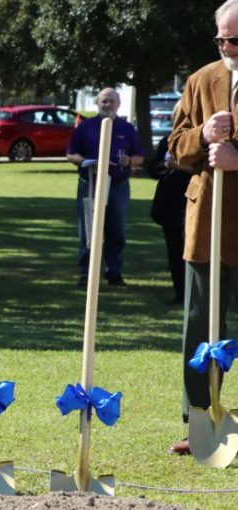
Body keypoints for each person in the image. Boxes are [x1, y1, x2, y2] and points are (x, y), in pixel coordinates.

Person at [166, 0, 238, 455]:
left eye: (236, 39)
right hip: (207, 224)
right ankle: (199, 423)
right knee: (199, 326)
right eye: (222, 39)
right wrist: (204, 136)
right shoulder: (200, 79)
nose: (229, 47)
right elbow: (175, 148)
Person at [67, 88, 144, 287]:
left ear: (118, 104)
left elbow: (140, 157)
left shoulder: (127, 129)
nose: (107, 105)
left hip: (117, 186)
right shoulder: (86, 126)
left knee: (116, 231)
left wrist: (128, 161)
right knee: (87, 230)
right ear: (97, 103)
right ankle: (86, 275)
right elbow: (71, 153)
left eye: (111, 101)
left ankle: (114, 274)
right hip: (89, 184)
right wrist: (83, 162)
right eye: (104, 101)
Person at [148, 125, 192, 306]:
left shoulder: (204, 138)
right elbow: (153, 169)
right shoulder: (167, 140)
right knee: (175, 250)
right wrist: (163, 166)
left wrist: (177, 166)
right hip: (169, 205)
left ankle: (200, 294)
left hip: (193, 200)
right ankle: (180, 293)